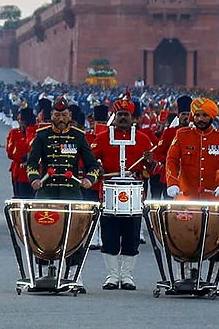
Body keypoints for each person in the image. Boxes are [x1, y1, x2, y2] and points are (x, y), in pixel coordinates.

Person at [27, 96, 101, 292]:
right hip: (47, 192)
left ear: (70, 116)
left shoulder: (78, 137)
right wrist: (34, 179)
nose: (61, 118)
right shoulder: (41, 136)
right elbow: (32, 163)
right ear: (52, 115)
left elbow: (92, 165)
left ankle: (75, 276)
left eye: (64, 114)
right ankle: (43, 274)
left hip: (71, 192)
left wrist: (89, 180)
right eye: (57, 114)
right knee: (42, 231)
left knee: (75, 233)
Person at [165, 97, 219, 296]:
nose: (200, 118)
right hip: (185, 198)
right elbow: (171, 161)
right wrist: (172, 184)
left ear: (212, 116)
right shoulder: (181, 134)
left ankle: (215, 280)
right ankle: (186, 278)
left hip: (213, 198)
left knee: (215, 240)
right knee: (183, 237)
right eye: (197, 115)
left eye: (204, 115)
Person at [90, 96, 156, 291]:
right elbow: (90, 162)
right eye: (120, 115)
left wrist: (150, 162)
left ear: (133, 118)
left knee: (131, 237)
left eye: (126, 115)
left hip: (134, 196)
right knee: (109, 236)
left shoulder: (143, 139)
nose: (123, 118)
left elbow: (152, 169)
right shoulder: (102, 138)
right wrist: (97, 169)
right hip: (109, 193)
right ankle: (112, 275)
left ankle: (127, 275)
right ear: (114, 116)